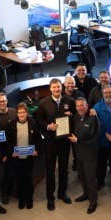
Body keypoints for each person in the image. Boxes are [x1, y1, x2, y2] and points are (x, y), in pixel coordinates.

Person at [36, 78, 76, 211]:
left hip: (64, 141)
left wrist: (71, 115)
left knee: (64, 168)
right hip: (50, 142)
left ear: (62, 87)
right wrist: (48, 126)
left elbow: (76, 117)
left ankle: (62, 193)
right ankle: (50, 197)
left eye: (58, 87)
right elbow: (39, 121)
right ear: (50, 89)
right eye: (54, 87)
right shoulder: (43, 103)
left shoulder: (69, 101)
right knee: (50, 170)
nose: (56, 89)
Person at [68, 98, 100, 214]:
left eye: (82, 105)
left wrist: (78, 140)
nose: (80, 108)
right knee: (81, 176)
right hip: (79, 154)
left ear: (87, 106)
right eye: (78, 106)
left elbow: (95, 138)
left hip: (90, 153)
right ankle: (85, 194)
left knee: (90, 179)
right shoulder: (75, 117)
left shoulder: (93, 118)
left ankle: (93, 202)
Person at [6, 102, 40, 210]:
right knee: (19, 179)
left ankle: (29, 199)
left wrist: (36, 150)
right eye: (19, 112)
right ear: (17, 113)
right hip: (17, 158)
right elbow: (8, 142)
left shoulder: (33, 123)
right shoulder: (11, 125)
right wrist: (11, 152)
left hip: (29, 157)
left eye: (23, 112)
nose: (21, 114)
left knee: (29, 178)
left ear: (27, 112)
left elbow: (38, 139)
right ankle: (22, 199)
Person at [93, 85, 111, 189]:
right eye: (106, 93)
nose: (108, 94)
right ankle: (100, 181)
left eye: (110, 92)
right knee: (101, 163)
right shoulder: (96, 107)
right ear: (102, 94)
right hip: (102, 140)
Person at [0, 92, 17, 203]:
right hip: (1, 152)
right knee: (3, 175)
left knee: (13, 173)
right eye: (0, 101)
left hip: (14, 150)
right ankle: (4, 194)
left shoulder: (14, 112)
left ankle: (13, 191)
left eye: (4, 101)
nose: (2, 103)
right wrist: (2, 155)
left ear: (7, 101)